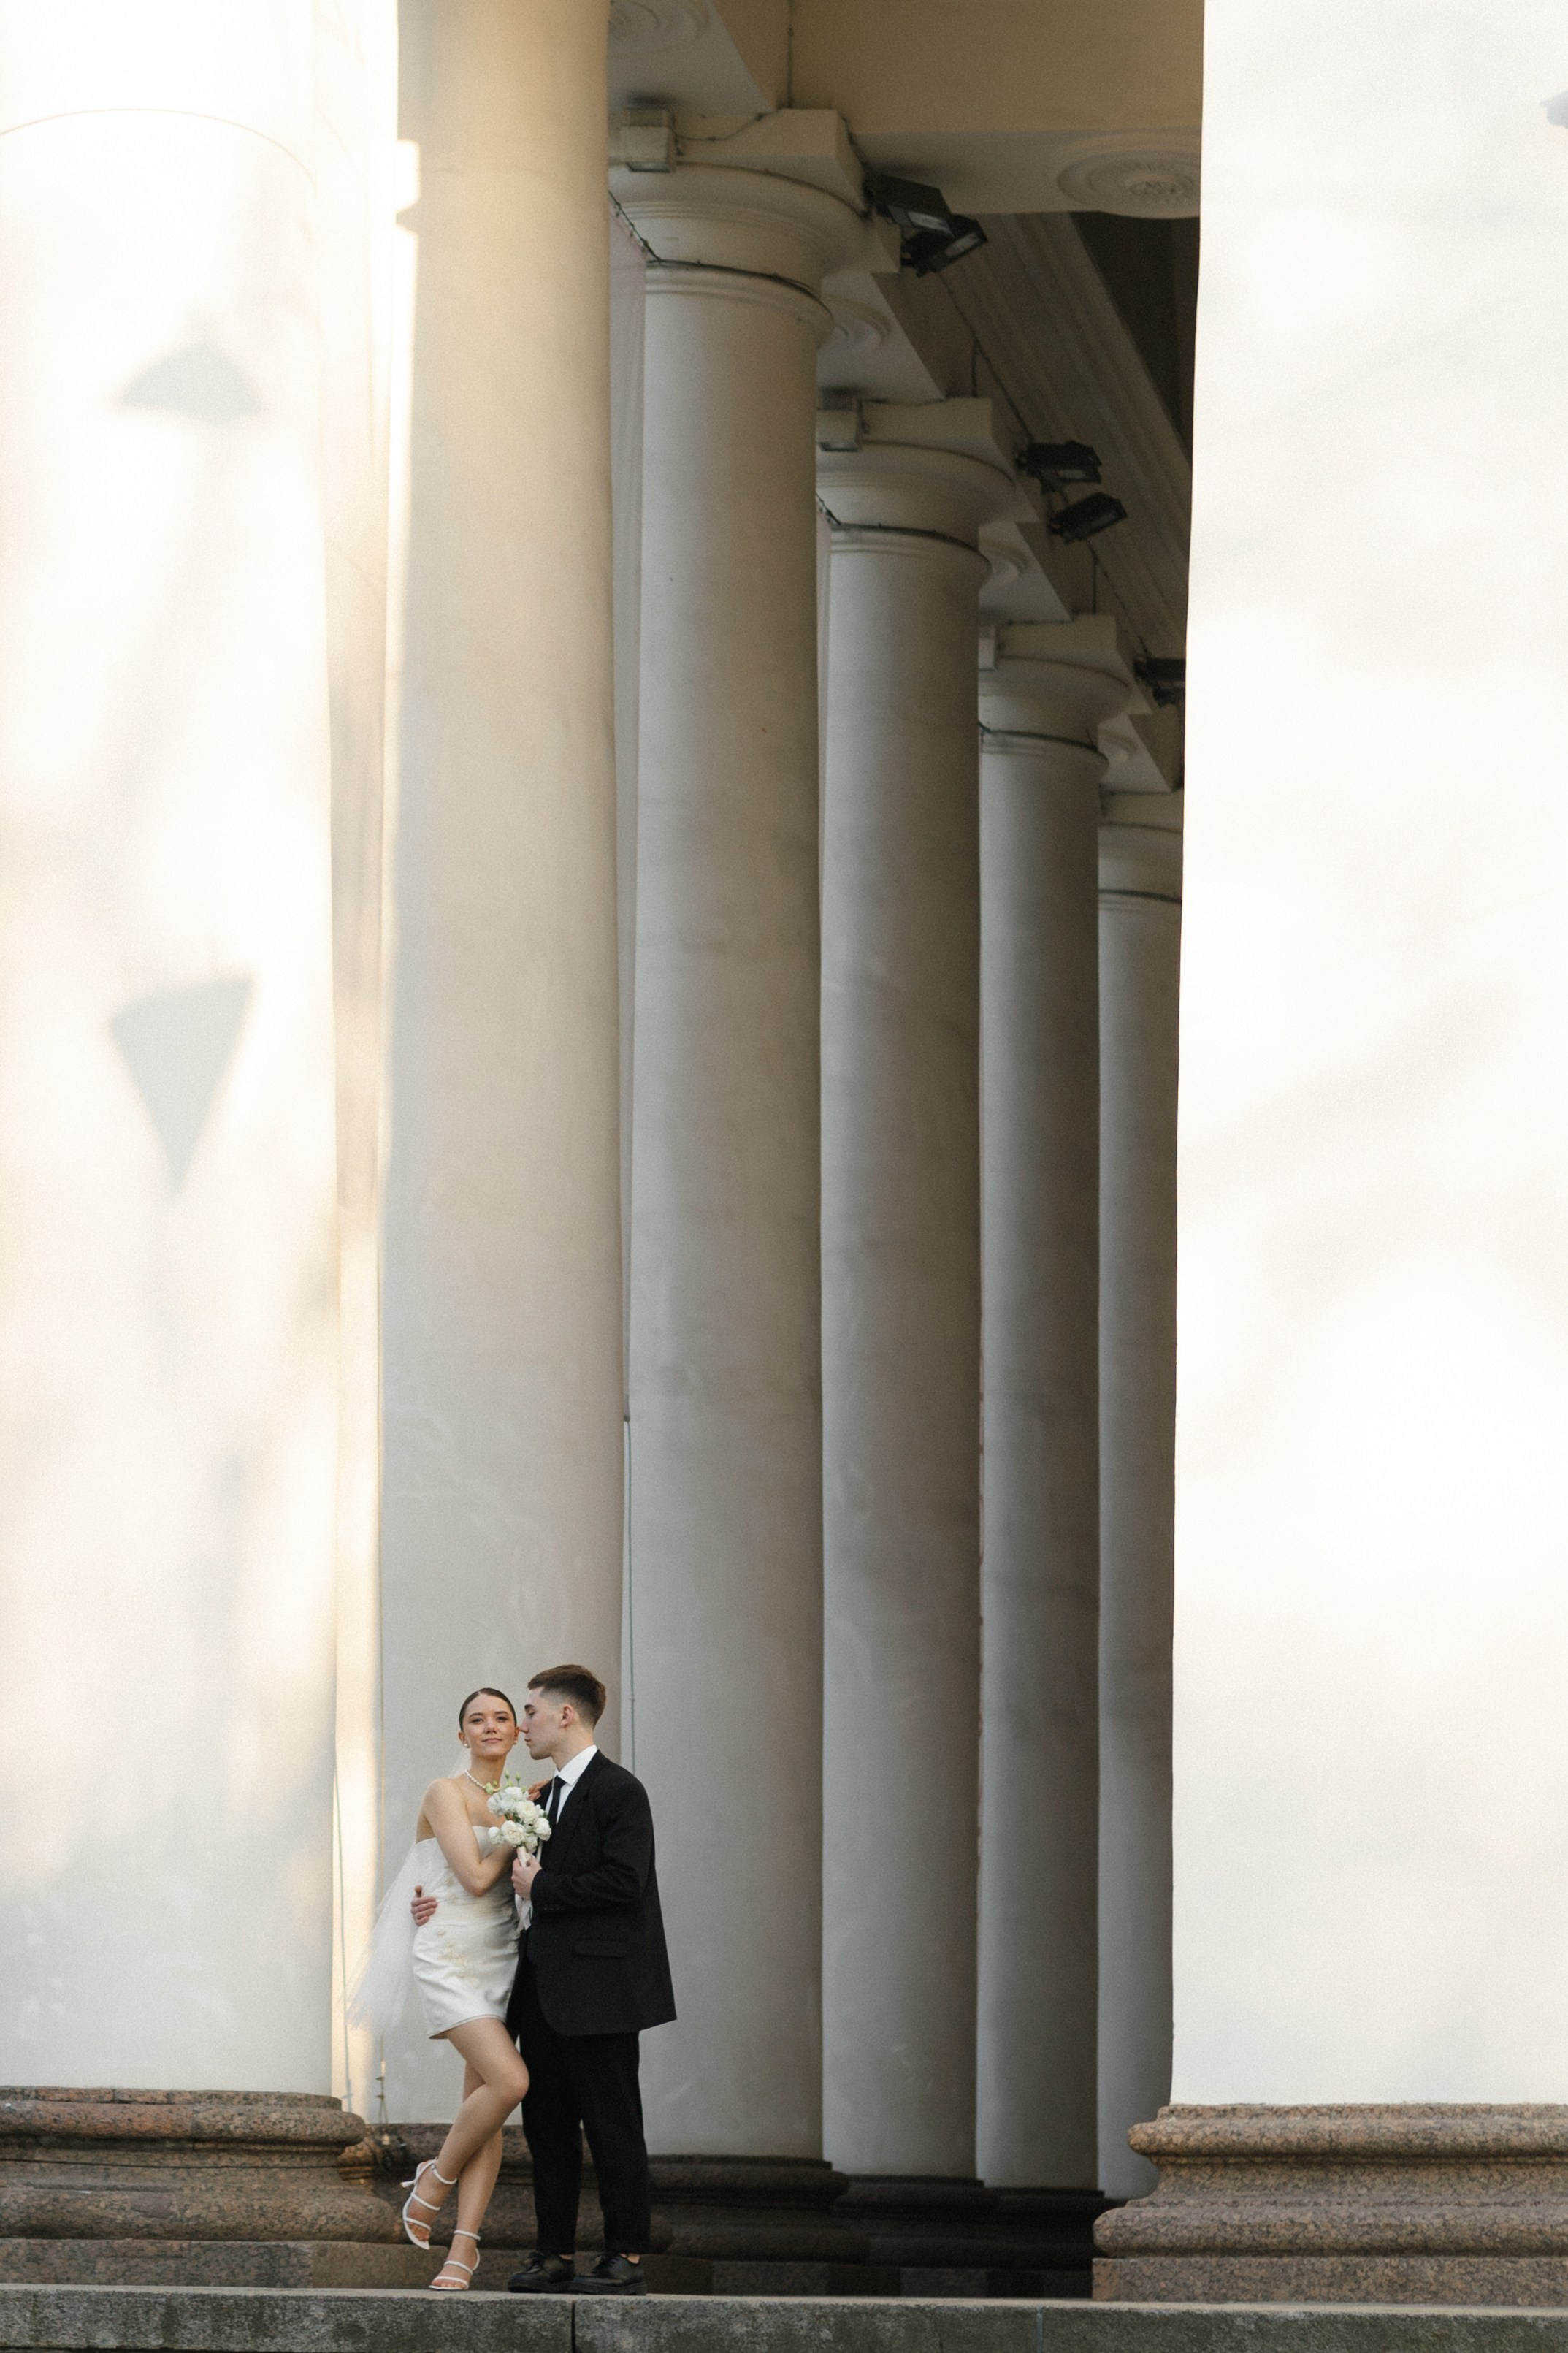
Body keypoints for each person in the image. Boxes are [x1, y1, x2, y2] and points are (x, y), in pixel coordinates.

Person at [413, 1663, 675, 2296]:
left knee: (612, 2124)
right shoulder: (538, 1796)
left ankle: (624, 2255)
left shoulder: (619, 1790)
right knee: (546, 2126)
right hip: (537, 1985)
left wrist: (544, 1886)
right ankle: (551, 2251)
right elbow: (475, 1877)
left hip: (603, 1990)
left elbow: (625, 1880)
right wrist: (427, 1901)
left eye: (527, 1711)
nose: (521, 1723)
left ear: (565, 1714)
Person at [351, 1687, 530, 2290]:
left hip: (504, 1955)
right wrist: (518, 1828)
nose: (490, 1726)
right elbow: (475, 1877)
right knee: (512, 2081)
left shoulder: (523, 1796)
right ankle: (435, 2177)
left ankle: (463, 2248)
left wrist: (527, 1822)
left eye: (501, 1717)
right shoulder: (444, 1792)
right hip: (450, 1952)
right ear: (462, 1735)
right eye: (477, 1719)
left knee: (487, 2103)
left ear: (516, 1732)